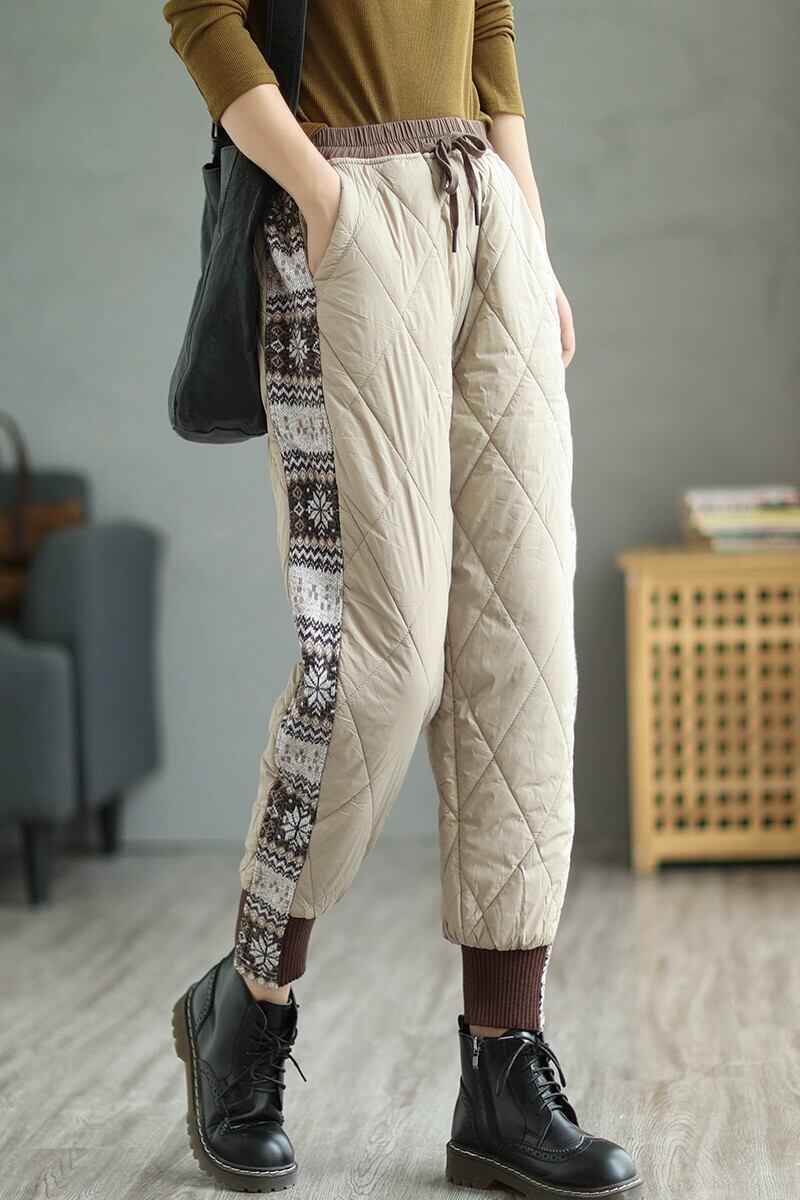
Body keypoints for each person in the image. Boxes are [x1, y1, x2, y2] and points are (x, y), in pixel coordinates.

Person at [162, 2, 643, 1196]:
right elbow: (204, 14)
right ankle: (247, 1000)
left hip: (484, 207)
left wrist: (526, 229)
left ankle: (502, 1065)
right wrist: (319, 196)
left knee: (522, 657)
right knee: (378, 667)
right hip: (342, 207)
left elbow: (487, 21)